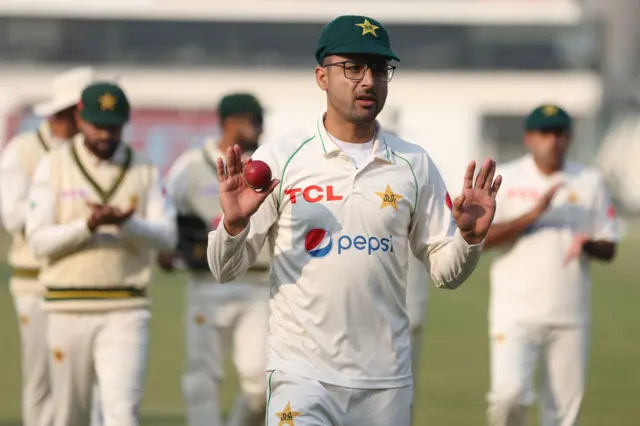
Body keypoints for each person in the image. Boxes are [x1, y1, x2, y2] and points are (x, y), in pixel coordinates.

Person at [207, 15, 502, 426]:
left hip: (384, 383)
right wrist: (234, 225)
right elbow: (224, 270)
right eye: (353, 67)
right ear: (321, 76)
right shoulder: (283, 158)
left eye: (379, 69)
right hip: (301, 375)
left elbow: (446, 274)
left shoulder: (413, 164)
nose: (368, 81)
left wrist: (468, 240)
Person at [25, 81, 178, 426]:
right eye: (98, 125)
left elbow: (168, 237)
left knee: (122, 414)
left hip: (126, 307)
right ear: (80, 120)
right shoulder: (53, 165)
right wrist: (88, 226)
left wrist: (128, 225)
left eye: (114, 126)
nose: (106, 135)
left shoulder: (144, 167)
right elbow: (38, 241)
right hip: (66, 308)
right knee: (70, 416)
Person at [483, 104, 618, 426]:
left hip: (569, 314)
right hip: (515, 311)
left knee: (562, 416)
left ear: (569, 138)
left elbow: (609, 245)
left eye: (560, 134)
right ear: (529, 138)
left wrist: (588, 243)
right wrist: (533, 214)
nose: (553, 141)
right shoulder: (508, 178)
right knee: (508, 395)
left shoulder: (589, 181)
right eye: (545, 134)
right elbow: (484, 239)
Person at [159, 93, 270, 426]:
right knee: (201, 378)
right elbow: (166, 212)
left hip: (260, 285)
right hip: (206, 283)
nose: (260, 128)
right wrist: (167, 247)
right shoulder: (191, 166)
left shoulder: (269, 164)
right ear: (232, 121)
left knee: (260, 383)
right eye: (255, 120)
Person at [0, 66, 101, 426]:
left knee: (86, 380)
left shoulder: (91, 152)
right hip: (35, 280)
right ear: (72, 111)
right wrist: (69, 219)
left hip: (87, 279)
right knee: (42, 375)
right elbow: (13, 217)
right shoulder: (24, 151)